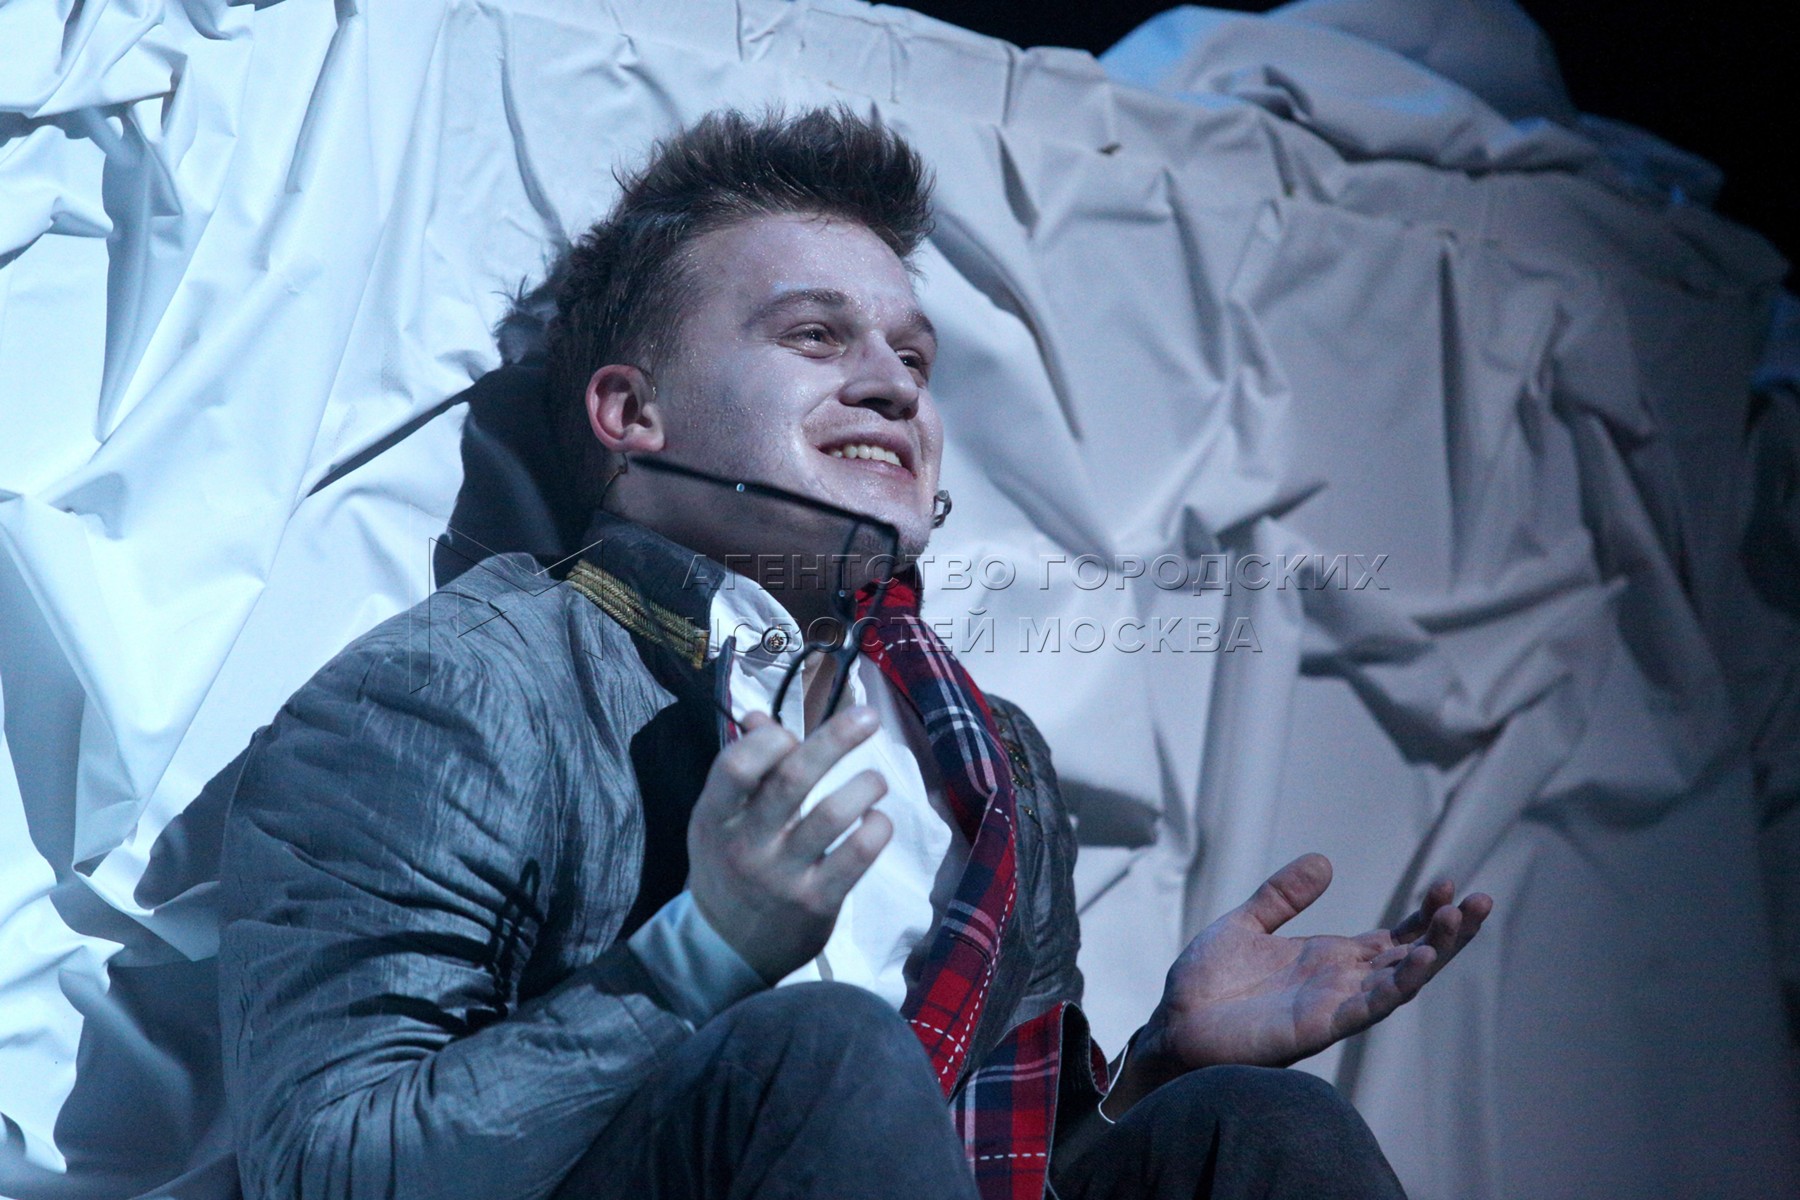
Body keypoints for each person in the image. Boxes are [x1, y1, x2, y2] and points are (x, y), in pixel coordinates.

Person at [214, 107, 1490, 1200]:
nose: (895, 386)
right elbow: (326, 1164)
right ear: (631, 412)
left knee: (1261, 1130)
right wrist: (699, 956)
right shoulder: (454, 690)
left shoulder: (989, 758)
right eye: (816, 336)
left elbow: (978, 1161)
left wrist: (1156, 1066)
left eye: (912, 356)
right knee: (825, 1051)